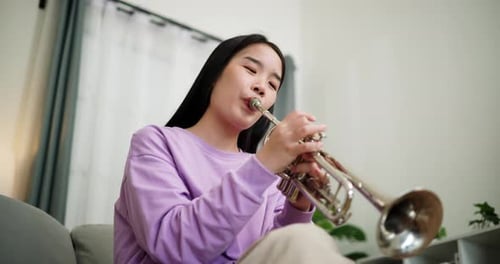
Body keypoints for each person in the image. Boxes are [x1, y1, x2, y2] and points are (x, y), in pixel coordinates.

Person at [114, 33, 354, 264]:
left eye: (272, 85)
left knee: (310, 237)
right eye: (250, 70)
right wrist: (262, 166)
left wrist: (298, 207)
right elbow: (174, 247)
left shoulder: (271, 175)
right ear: (214, 76)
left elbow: (278, 251)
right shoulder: (155, 143)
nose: (262, 87)